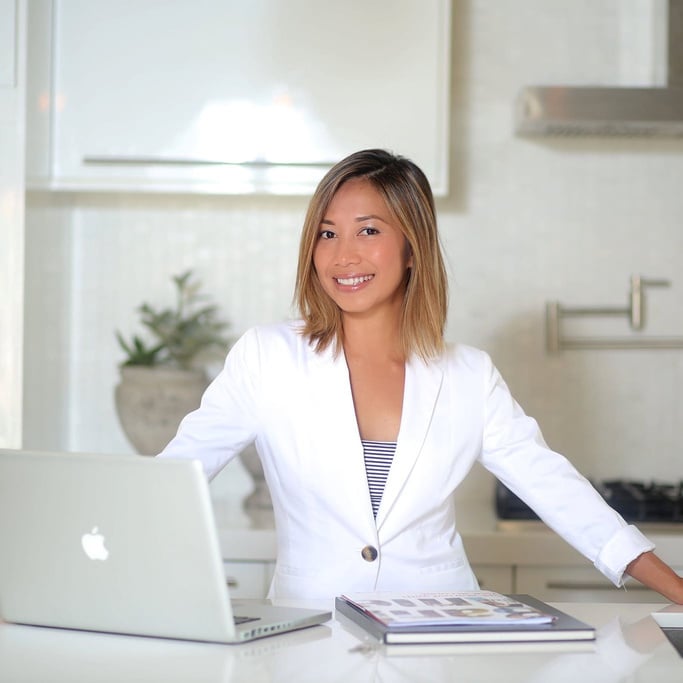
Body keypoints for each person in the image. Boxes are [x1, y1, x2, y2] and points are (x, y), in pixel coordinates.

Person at [159, 149, 683, 603]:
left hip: (439, 633)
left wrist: (676, 589)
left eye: (368, 230)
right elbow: (171, 480)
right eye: (327, 233)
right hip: (310, 631)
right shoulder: (266, 357)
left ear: (413, 247)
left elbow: (556, 489)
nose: (343, 255)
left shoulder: (469, 375)